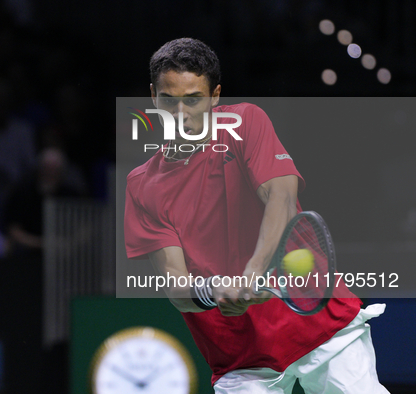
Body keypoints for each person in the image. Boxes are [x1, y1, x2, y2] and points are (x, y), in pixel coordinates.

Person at [124, 38, 388, 393]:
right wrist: (215, 291)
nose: (181, 112)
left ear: (215, 95)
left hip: (322, 328)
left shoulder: (246, 122)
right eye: (169, 100)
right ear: (153, 97)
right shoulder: (142, 185)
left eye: (193, 99)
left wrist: (253, 270)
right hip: (240, 355)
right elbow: (175, 285)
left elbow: (280, 196)